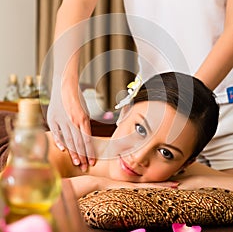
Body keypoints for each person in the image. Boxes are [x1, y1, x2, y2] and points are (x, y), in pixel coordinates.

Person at [47, 0, 233, 174]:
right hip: (149, 121)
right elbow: (79, 0)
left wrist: (178, 110)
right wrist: (62, 86)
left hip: (225, 114)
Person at [46, 72, 233, 199]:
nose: (139, 156)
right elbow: (21, 196)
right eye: (140, 130)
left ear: (184, 165)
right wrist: (98, 184)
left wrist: (193, 184)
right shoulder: (54, 149)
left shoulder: (175, 175)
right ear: (125, 111)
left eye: (165, 153)